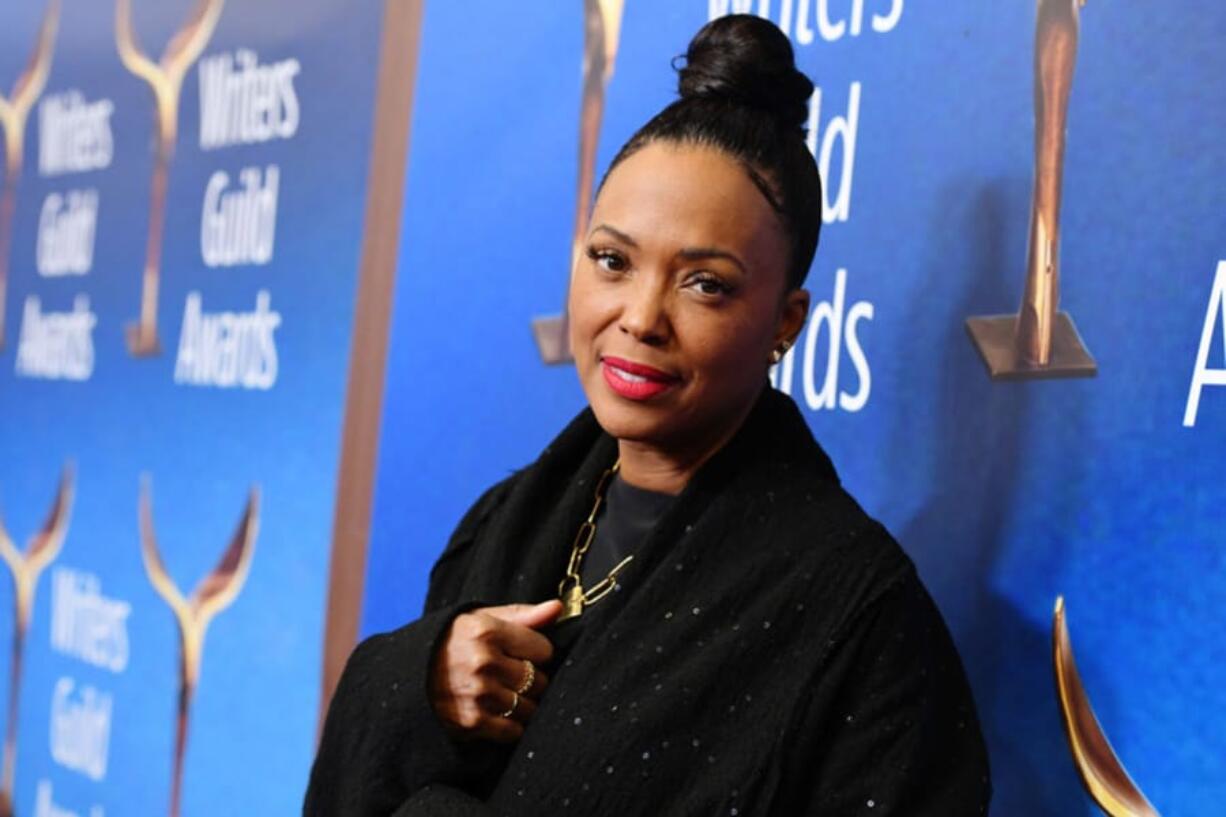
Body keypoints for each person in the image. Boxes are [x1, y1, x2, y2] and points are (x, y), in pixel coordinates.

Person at [304, 14, 991, 817]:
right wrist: (420, 683)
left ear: (786, 323)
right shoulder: (504, 521)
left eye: (705, 283)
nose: (640, 317)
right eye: (613, 261)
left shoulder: (863, 626)